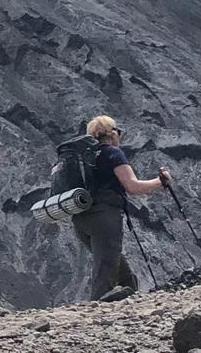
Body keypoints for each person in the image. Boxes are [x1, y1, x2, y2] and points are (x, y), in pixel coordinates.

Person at [73, 116, 171, 298]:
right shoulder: (112, 153)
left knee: (114, 261)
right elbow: (132, 187)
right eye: (119, 132)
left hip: (80, 217)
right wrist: (160, 181)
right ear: (112, 133)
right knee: (106, 269)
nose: (120, 136)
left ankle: (130, 294)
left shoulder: (82, 157)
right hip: (104, 217)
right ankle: (97, 312)